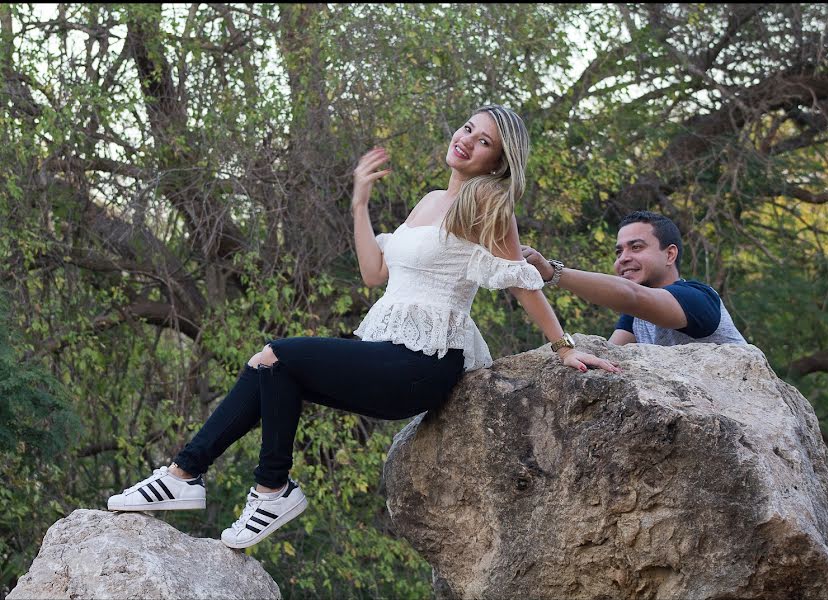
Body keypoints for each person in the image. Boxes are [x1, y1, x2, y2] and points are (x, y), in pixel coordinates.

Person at [107, 105, 620, 549]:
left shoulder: (485, 203)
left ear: (497, 161)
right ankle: (216, 481)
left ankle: (219, 481)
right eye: (466, 128)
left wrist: (563, 347)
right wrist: (359, 202)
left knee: (278, 354)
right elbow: (375, 273)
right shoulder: (427, 201)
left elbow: (520, 281)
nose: (465, 141)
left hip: (422, 363)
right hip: (384, 350)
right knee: (272, 368)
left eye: (483, 141)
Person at [521, 210, 746, 346]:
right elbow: (610, 354)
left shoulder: (699, 299)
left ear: (670, 254)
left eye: (636, 247)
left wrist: (552, 272)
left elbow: (631, 296)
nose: (623, 259)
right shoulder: (635, 318)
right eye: (619, 252)